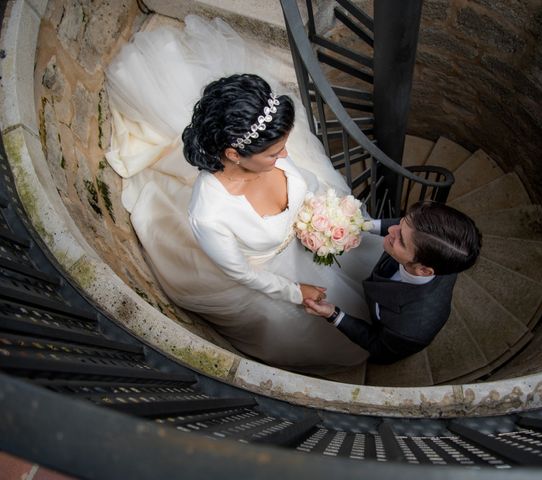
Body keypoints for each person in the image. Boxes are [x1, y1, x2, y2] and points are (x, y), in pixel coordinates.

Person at [105, 16, 383, 373]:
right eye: (273, 153)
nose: (285, 156)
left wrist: (328, 217)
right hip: (274, 273)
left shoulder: (271, 159)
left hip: (311, 241)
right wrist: (296, 292)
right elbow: (244, 276)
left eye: (283, 146)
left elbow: (307, 181)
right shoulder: (209, 214)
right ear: (235, 155)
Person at [303, 202, 482, 364]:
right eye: (402, 222)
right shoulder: (431, 245)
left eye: (401, 241)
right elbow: (410, 230)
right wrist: (365, 225)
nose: (391, 231)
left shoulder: (410, 329)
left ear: (424, 270)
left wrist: (333, 314)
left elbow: (379, 347)